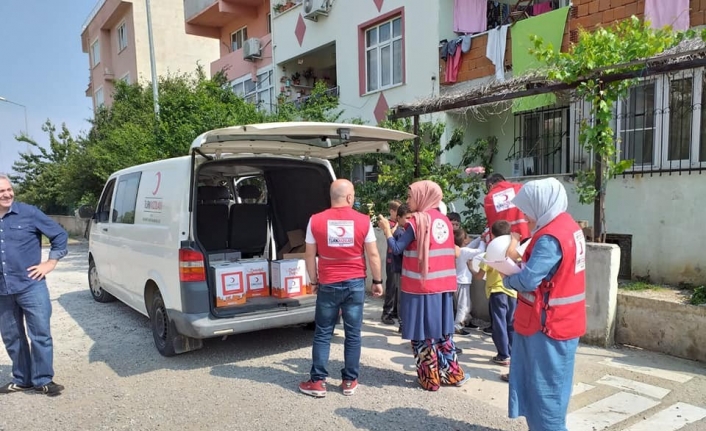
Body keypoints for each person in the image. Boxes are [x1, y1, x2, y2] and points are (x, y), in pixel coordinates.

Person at [501, 177, 587, 431]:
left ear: (541, 205)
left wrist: (507, 277)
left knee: (545, 395)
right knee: (551, 389)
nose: (525, 215)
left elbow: (528, 280)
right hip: (560, 321)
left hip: (548, 326)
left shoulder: (550, 237)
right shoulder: (568, 225)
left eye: (528, 208)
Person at [378, 180, 470, 392]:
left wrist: (387, 230)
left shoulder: (417, 221)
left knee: (422, 333)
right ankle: (453, 374)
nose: (408, 201)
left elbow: (397, 248)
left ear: (423, 196)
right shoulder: (444, 221)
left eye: (410, 196)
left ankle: (430, 379)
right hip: (444, 286)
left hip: (420, 287)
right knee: (442, 333)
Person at [299, 179, 383, 398]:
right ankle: (349, 381)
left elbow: (309, 254)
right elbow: (373, 254)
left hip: (328, 284)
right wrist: (377, 281)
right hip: (355, 284)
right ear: (349, 197)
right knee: (353, 334)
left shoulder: (315, 220)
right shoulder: (363, 221)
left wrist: (314, 280)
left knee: (323, 333)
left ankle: (317, 382)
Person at [0, 174, 68, 396]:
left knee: (40, 333)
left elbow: (59, 235)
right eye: (1, 191)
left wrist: (50, 262)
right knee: (12, 336)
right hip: (3, 290)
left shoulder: (28, 213)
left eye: (9, 189)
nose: (7, 194)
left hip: (31, 285)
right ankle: (22, 379)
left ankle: (43, 379)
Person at [469, 220, 518, 367]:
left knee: (499, 324)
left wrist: (470, 267)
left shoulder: (490, 251)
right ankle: (512, 353)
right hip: (512, 291)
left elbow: (479, 276)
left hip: (497, 291)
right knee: (510, 323)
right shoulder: (514, 249)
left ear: (492, 234)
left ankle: (503, 355)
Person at [385, 204, 411, 333]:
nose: (409, 220)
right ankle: (401, 322)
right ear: (399, 218)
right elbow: (398, 251)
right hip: (400, 268)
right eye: (407, 218)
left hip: (400, 268)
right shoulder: (401, 233)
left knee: (400, 295)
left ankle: (401, 320)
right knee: (400, 296)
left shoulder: (402, 231)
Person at [452, 227, 483, 334]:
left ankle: (465, 321)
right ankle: (457, 325)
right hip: (462, 281)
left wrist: (480, 237)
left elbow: (471, 245)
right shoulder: (464, 251)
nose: (469, 238)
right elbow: (480, 251)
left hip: (457, 281)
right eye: (467, 237)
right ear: (464, 240)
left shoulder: (458, 250)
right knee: (463, 306)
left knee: (466, 305)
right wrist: (483, 241)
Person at [483, 173, 530, 242]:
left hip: (503, 240)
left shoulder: (489, 198)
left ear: (490, 185)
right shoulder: (520, 187)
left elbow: (491, 224)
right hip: (526, 235)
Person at [381, 200, 402, 325]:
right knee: (391, 287)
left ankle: (394, 311)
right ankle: (386, 313)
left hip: (400, 260)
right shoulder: (388, 223)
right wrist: (397, 224)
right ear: (392, 211)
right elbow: (390, 234)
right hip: (391, 260)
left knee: (399, 288)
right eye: (397, 212)